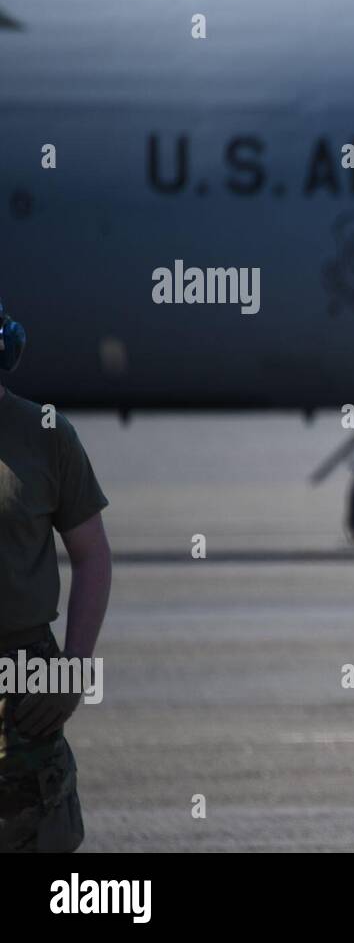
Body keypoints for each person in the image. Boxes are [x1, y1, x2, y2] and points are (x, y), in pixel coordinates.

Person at [0, 299, 112, 852]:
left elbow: (91, 554)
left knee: (39, 837)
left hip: (25, 680)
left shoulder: (44, 434)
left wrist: (73, 668)